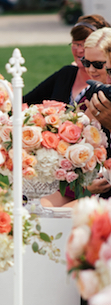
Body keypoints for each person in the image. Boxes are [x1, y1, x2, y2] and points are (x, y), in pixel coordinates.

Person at [41, 27, 111, 208]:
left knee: (63, 213)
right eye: (86, 62)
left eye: (98, 65)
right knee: (38, 208)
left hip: (103, 186)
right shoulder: (93, 92)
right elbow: (79, 137)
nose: (91, 70)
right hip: (93, 178)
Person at [23, 15, 109, 106]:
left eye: (85, 44)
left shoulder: (106, 86)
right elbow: (26, 101)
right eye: (75, 44)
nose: (79, 50)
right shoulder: (66, 74)